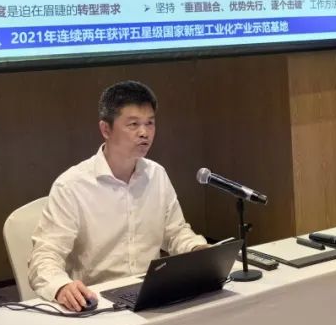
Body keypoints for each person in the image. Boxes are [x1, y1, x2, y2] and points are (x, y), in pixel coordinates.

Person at [28, 81, 208, 311]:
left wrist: (197, 250)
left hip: (150, 295)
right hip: (97, 302)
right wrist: (61, 287)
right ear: (106, 129)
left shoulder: (156, 175)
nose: (144, 133)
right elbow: (45, 256)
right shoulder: (72, 186)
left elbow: (175, 233)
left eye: (150, 123)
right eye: (133, 124)